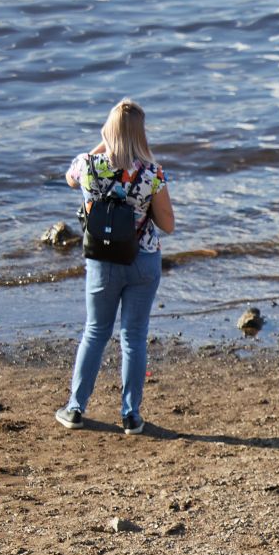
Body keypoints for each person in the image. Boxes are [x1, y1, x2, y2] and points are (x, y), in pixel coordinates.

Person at [54, 99, 176, 435]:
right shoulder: (153, 173)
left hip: (102, 262)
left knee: (95, 332)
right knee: (133, 337)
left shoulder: (88, 165)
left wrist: (104, 143)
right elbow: (168, 225)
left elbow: (69, 178)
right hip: (143, 260)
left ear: (108, 131)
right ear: (141, 133)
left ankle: (76, 408)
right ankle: (131, 416)